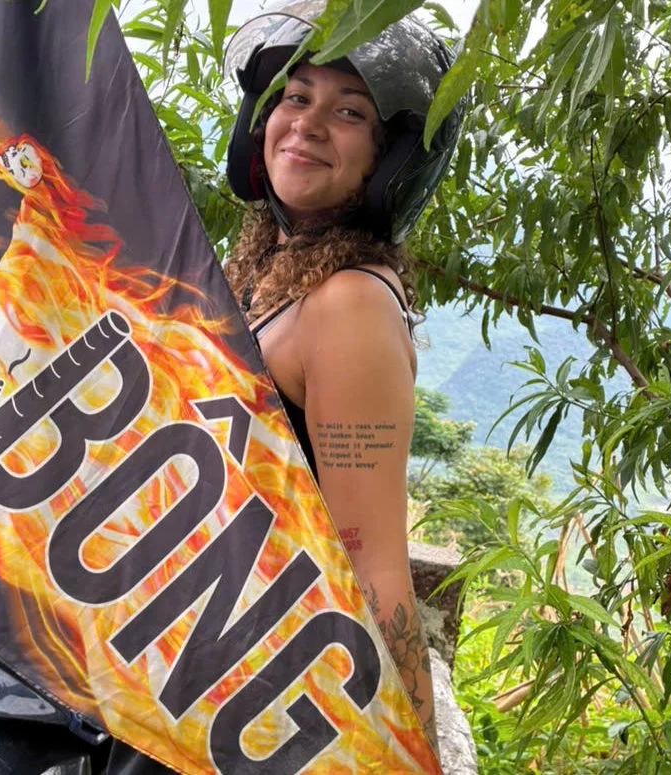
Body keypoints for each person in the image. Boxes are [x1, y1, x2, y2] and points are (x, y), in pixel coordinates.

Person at [222, 0, 464, 757]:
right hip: (215, 641)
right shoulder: (269, 267)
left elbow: (376, 563)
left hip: (281, 680)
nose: (308, 122)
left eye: (349, 111)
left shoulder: (349, 303)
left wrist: (408, 751)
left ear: (388, 159)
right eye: (296, 97)